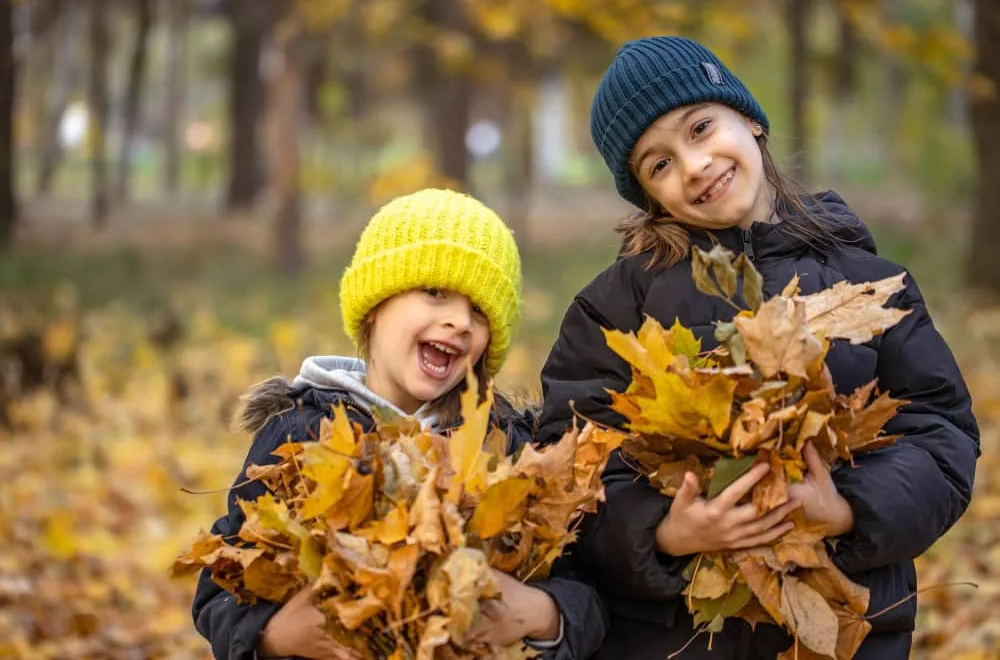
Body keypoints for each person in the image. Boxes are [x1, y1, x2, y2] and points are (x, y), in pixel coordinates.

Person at [534, 36, 979, 659]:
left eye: (701, 128)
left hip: (841, 632)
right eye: (658, 165)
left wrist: (847, 509)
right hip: (679, 639)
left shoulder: (868, 285)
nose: (693, 166)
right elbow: (569, 465)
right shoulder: (613, 311)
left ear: (750, 120)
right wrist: (664, 532)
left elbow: (940, 433)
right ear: (647, 195)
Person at [191, 188, 607, 660]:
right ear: (376, 304)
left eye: (478, 312)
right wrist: (272, 635)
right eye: (435, 293)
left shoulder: (504, 447)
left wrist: (543, 612)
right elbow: (222, 583)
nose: (459, 322)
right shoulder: (301, 433)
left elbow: (588, 591)